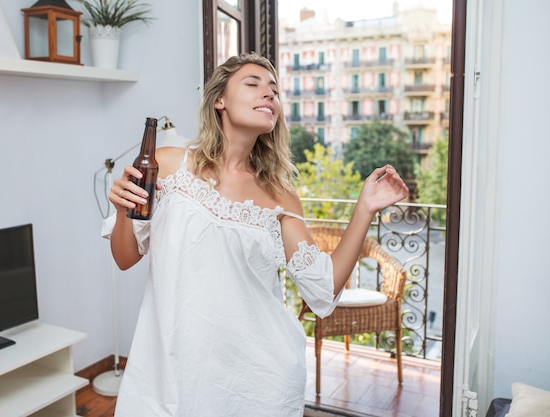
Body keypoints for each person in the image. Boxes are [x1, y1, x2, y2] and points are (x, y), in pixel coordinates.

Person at [107, 52, 408, 417]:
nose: (269, 94)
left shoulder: (280, 196)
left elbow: (322, 291)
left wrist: (364, 209)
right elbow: (125, 258)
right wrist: (125, 207)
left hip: (254, 383)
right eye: (253, 84)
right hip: (169, 374)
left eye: (275, 91)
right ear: (220, 100)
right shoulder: (169, 164)